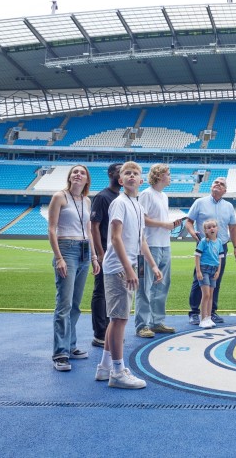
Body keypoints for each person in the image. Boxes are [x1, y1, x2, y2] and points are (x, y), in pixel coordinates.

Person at [95, 161, 162, 389]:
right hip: (118, 268)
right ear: (120, 180)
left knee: (117, 319)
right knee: (120, 319)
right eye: (127, 174)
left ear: (141, 181)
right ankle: (117, 371)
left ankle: (105, 367)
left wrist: (152, 265)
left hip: (127, 265)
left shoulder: (136, 205)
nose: (132, 176)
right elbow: (115, 238)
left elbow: (141, 240)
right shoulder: (119, 203)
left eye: (135, 173)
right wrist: (129, 268)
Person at [48, 165, 101, 372]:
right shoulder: (59, 197)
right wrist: (59, 257)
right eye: (74, 172)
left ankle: (70, 345)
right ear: (69, 177)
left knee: (76, 304)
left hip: (85, 251)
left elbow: (88, 230)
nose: (78, 174)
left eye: (82, 172)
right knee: (64, 304)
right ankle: (60, 353)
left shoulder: (86, 201)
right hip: (67, 249)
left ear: (87, 179)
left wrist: (95, 257)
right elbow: (51, 229)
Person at [135, 163, 183, 338]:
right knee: (145, 286)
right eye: (168, 174)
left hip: (164, 245)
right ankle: (142, 325)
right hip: (149, 246)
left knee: (161, 285)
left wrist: (169, 225)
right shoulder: (146, 194)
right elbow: (142, 219)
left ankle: (156, 322)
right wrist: (164, 224)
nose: (170, 177)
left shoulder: (164, 196)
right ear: (159, 175)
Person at [185, 177, 236, 325]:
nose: (218, 185)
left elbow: (233, 228)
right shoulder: (200, 202)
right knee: (199, 278)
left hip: (221, 247)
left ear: (225, 190)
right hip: (204, 246)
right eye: (216, 182)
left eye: (221, 184)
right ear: (211, 186)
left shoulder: (229, 206)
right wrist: (192, 233)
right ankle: (195, 312)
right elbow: (188, 221)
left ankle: (211, 312)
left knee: (216, 279)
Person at [89, 162, 122, 348]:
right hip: (106, 251)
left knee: (113, 293)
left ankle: (109, 330)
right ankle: (100, 333)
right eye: (119, 171)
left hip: (118, 253)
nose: (122, 174)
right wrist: (100, 253)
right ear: (111, 174)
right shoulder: (103, 197)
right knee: (101, 292)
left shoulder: (122, 197)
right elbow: (94, 226)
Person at [194, 219, 225, 329]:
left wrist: (218, 271)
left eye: (213, 226)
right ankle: (202, 318)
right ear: (205, 231)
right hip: (204, 269)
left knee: (211, 295)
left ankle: (208, 317)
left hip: (214, 269)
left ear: (217, 228)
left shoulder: (219, 242)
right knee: (206, 294)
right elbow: (197, 256)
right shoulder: (203, 242)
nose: (212, 228)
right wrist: (198, 271)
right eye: (209, 227)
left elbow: (220, 258)